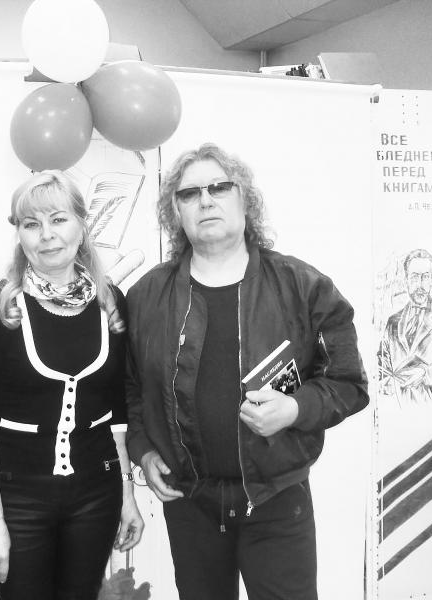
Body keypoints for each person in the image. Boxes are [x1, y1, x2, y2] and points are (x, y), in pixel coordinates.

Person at [125, 143, 369, 600]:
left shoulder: (303, 286)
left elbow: (349, 384)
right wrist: (143, 450)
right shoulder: (146, 296)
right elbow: (131, 388)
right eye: (189, 193)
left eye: (219, 187)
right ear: (176, 212)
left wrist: (295, 408)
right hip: (190, 502)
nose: (205, 201)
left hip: (277, 498)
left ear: (245, 199)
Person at [0, 170, 144, 600]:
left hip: (96, 496)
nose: (47, 235)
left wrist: (126, 495)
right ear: (19, 234)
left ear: (82, 225)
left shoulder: (111, 302)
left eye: (58, 219)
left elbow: (116, 412)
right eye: (31, 224)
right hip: (18, 500)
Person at [378, 248, 432, 404]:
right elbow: (381, 363)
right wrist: (384, 382)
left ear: (431, 279)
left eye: (425, 277)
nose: (420, 285)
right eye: (414, 277)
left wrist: (425, 373)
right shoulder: (393, 322)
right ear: (406, 280)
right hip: (396, 406)